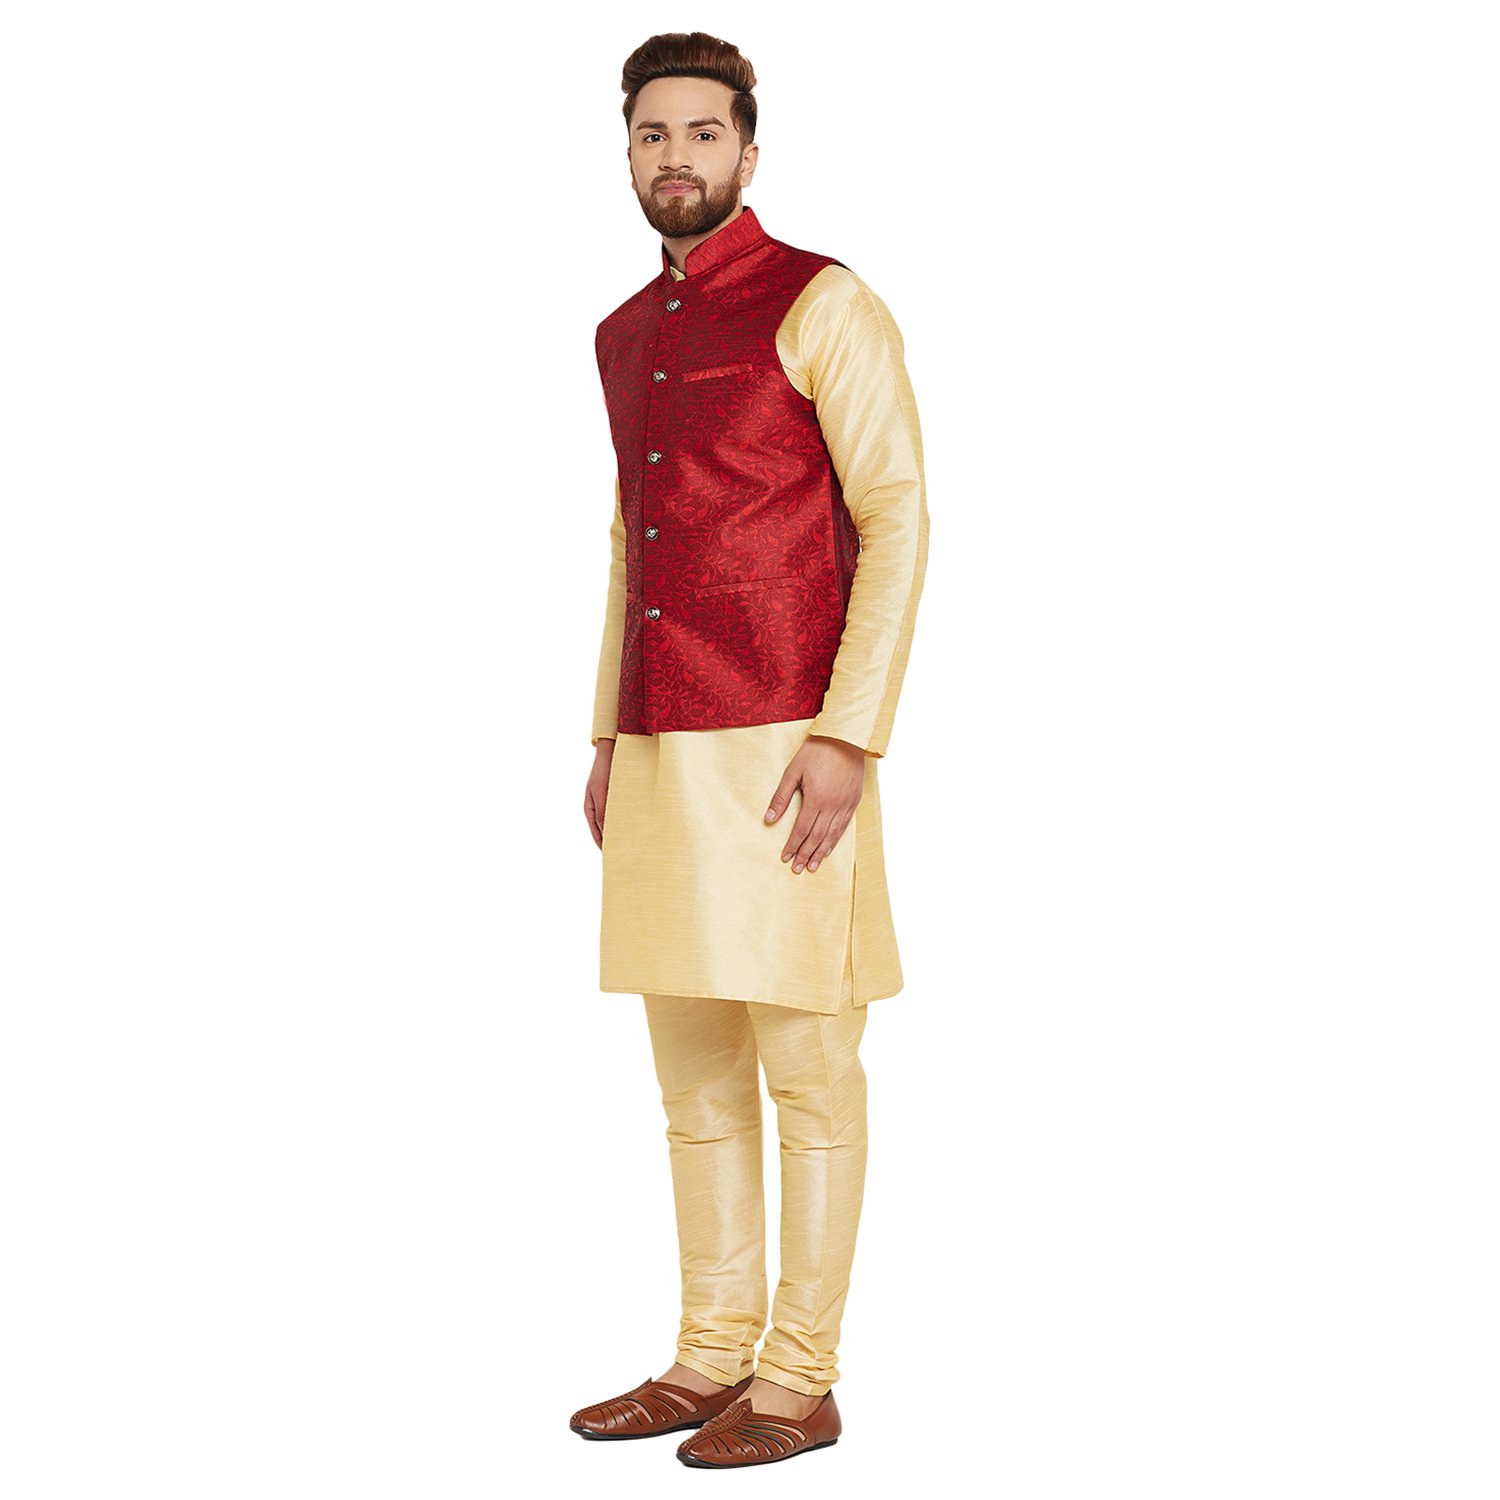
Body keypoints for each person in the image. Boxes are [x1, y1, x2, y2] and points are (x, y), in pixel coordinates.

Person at [569, 31, 929, 1470]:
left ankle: (798, 1379)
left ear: (749, 151)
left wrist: (851, 734)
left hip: (790, 740)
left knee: (809, 1071)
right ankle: (709, 1355)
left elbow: (897, 515)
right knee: (695, 1081)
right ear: (628, 153)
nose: (677, 157)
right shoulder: (621, 335)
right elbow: (629, 543)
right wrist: (608, 729)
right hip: (664, 744)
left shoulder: (824, 303)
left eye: (703, 133)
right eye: (653, 134)